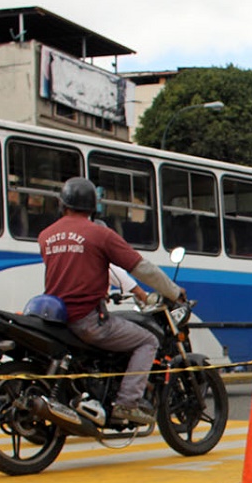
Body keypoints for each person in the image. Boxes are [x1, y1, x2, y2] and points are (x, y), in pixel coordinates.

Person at [38, 177, 186, 426]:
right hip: (87, 320)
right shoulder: (100, 234)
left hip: (56, 318)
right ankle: (127, 403)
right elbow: (141, 268)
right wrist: (173, 292)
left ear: (62, 203)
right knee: (148, 340)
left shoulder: (46, 236)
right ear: (93, 207)